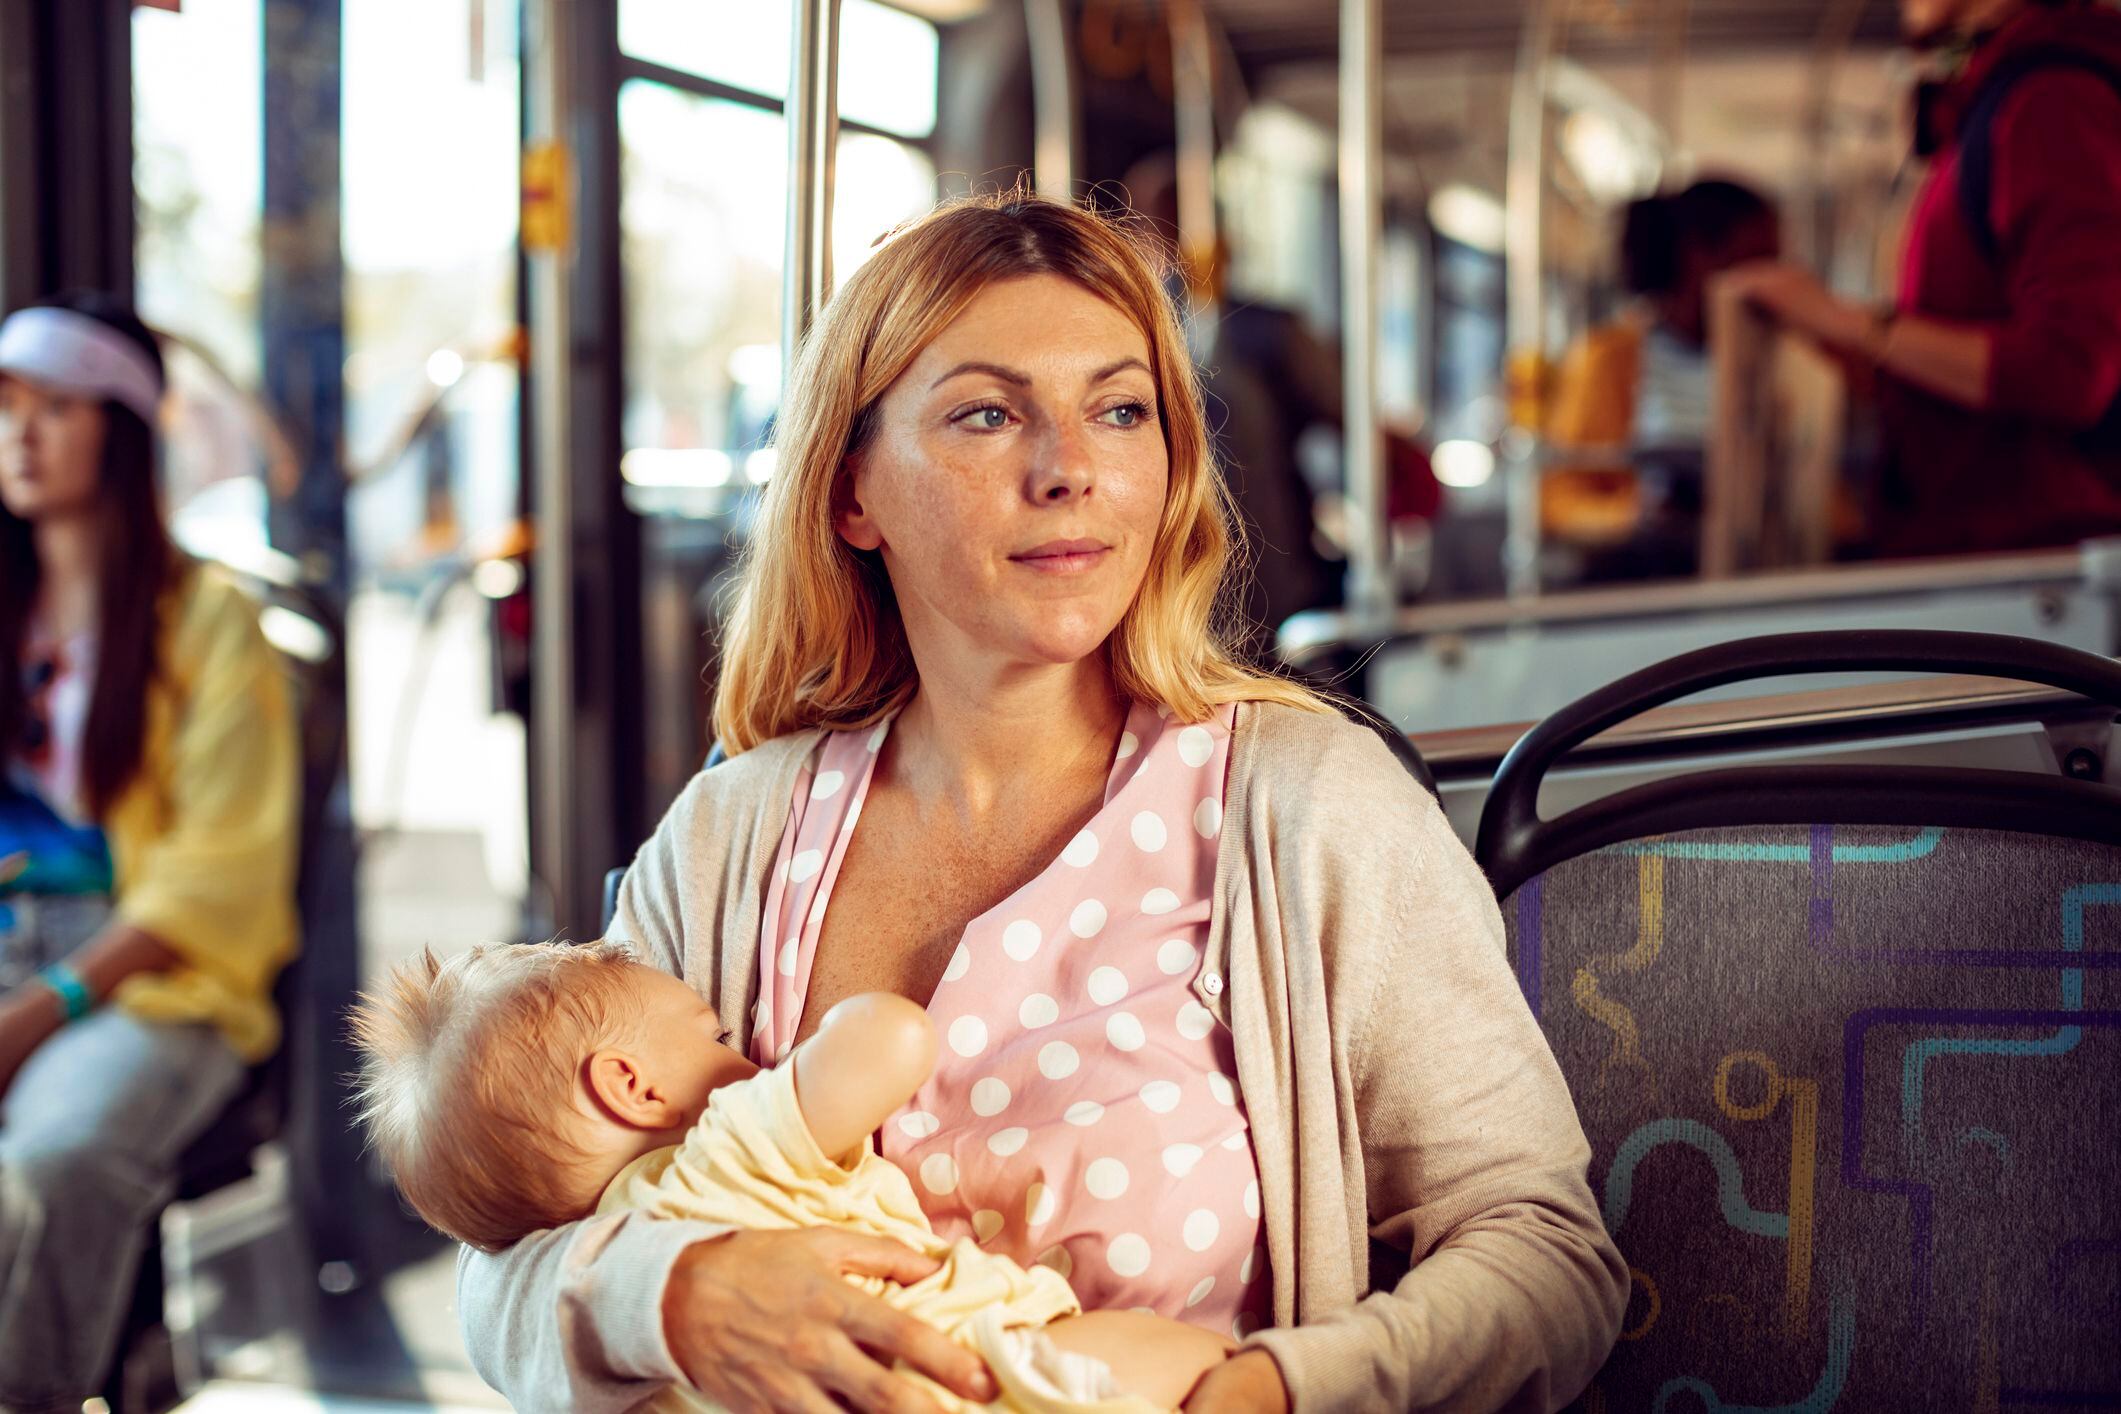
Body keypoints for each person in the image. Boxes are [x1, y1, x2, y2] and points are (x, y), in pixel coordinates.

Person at [455, 191, 1628, 1414]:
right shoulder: (732, 836)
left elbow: (1546, 1260)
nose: (1071, 469)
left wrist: (1260, 1396)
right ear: (853, 494)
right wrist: (679, 1297)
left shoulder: (1306, 807)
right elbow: (504, 1271)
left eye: (1120, 411)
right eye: (986, 414)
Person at [353, 941, 1238, 1411]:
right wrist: (820, 1049)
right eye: (714, 1036)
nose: (743, 1052)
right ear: (631, 1086)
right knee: (1194, 1364)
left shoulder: (633, 1342)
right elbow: (893, 1038)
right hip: (977, 1374)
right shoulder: (720, 1158)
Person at [0, 292, 301, 1409]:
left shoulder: (210, 623)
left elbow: (218, 873)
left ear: (120, 431)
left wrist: (38, 1010)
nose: (19, 436)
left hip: (148, 979)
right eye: (7, 407)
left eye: (56, 408)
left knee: (55, 1158)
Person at [1719, 0, 2121, 556]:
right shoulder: (1999, 99)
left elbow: (2070, 370)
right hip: (1987, 558)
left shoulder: (2051, 101)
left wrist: (1854, 323)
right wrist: (1863, 359)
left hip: (2032, 566)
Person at [1542, 179, 1783, 560]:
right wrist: (1631, 515)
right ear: (1698, 257)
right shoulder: (1609, 359)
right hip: (1646, 582)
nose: (1777, 284)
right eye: (1758, 262)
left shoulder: (1783, 360)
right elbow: (1557, 501)